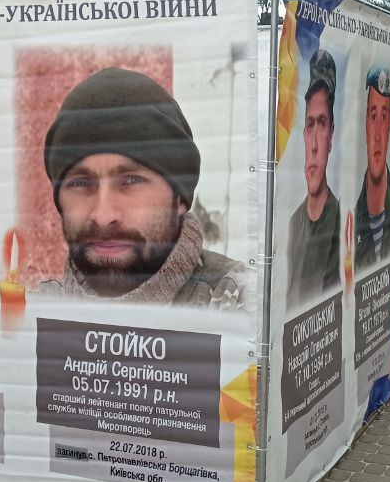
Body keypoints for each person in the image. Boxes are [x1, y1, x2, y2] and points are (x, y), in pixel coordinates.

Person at [41, 67, 245, 308]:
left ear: (179, 197)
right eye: (81, 183)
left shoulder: (244, 306)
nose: (104, 216)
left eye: (131, 181)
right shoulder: (30, 316)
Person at [285, 49, 341, 307]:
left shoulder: (339, 218)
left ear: (331, 137)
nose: (315, 144)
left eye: (322, 123)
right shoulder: (293, 222)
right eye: (310, 124)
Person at [355, 64, 390, 269]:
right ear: (365, 125)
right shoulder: (349, 220)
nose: (378, 135)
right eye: (373, 117)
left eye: (384, 117)